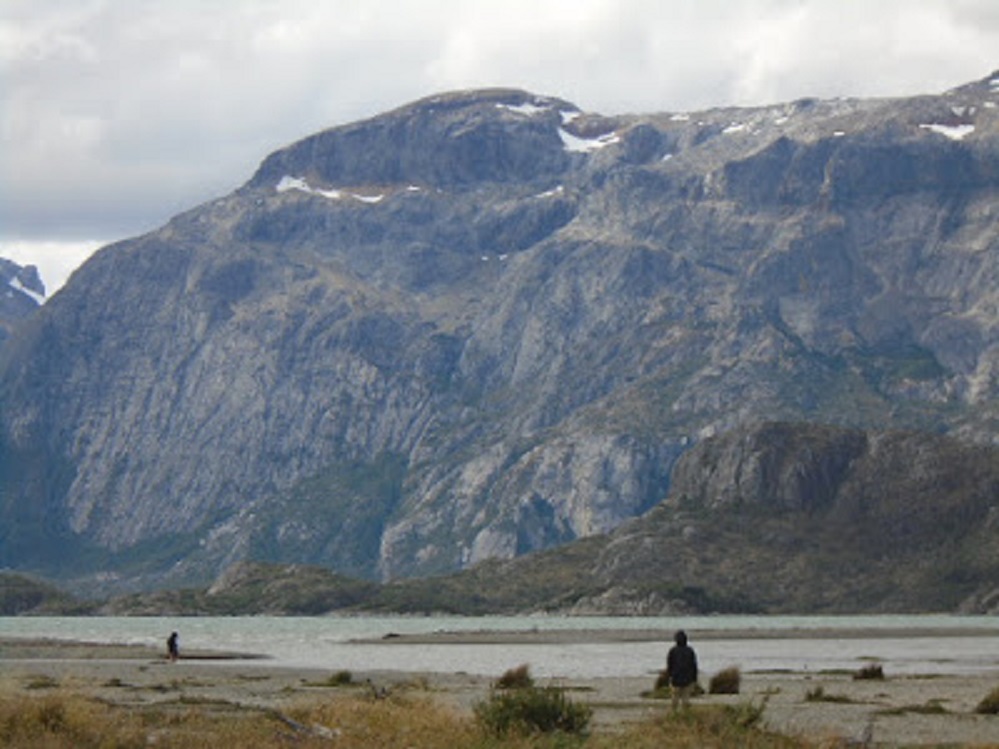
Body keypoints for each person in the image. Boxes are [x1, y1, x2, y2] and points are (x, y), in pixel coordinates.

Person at [665, 629, 698, 710]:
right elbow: (694, 665)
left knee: (674, 700)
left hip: (675, 679)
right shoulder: (690, 651)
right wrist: (694, 678)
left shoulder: (673, 651)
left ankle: (674, 716)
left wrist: (669, 676)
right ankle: (686, 716)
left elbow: (669, 665)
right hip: (687, 679)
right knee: (686, 700)